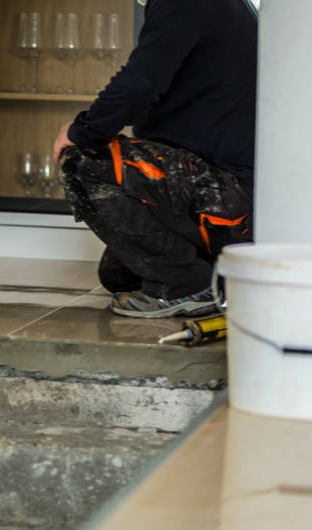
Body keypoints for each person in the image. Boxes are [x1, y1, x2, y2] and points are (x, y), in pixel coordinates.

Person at [52, 0, 258, 319]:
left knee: (81, 159)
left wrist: (81, 132)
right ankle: (208, 276)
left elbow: (140, 83)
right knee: (119, 277)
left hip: (224, 199)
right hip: (229, 196)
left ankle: (186, 287)